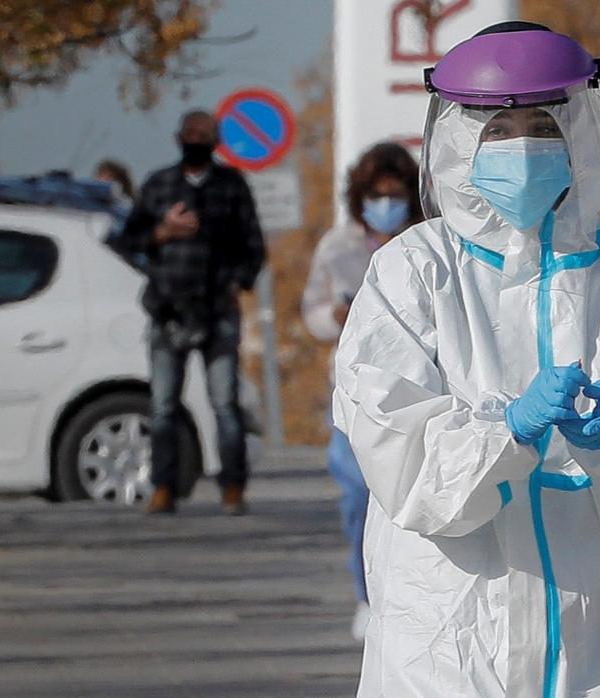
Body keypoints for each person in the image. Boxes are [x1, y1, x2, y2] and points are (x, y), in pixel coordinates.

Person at [331, 22, 600, 697]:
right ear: (457, 143)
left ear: (581, 133)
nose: (521, 146)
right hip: (447, 632)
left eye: (543, 126)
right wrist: (505, 432)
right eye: (497, 129)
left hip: (598, 634)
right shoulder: (413, 271)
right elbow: (393, 448)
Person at [114, 110, 266, 516]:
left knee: (224, 404)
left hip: (217, 311)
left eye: (205, 134)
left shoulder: (231, 186)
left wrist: (239, 280)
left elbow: (254, 244)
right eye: (190, 133)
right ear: (178, 137)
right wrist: (162, 233)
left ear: (216, 141)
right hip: (167, 310)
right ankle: (163, 487)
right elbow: (127, 240)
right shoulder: (159, 186)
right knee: (162, 405)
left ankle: (232, 487)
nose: (195, 139)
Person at [301, 141, 424, 641]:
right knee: (358, 498)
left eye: (396, 194)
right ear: (361, 197)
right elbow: (310, 312)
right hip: (355, 393)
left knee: (410, 499)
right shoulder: (338, 247)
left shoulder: (428, 241)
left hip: (418, 390)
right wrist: (334, 317)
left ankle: (410, 596)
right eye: (378, 195)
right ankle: (366, 596)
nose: (387, 204)